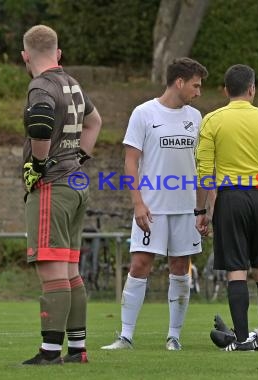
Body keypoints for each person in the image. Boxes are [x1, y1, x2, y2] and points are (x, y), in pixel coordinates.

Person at [100, 58, 208, 351]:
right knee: (139, 264)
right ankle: (125, 336)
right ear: (180, 82)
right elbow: (131, 162)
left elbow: (202, 166)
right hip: (152, 208)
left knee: (180, 267)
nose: (199, 92)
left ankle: (174, 336)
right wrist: (138, 204)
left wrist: (202, 209)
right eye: (196, 85)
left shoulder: (197, 117)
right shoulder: (143, 113)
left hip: (186, 209)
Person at [20, 25, 102, 365]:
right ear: (58, 53)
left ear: (25, 56)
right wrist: (79, 156)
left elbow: (39, 122)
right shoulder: (72, 84)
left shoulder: (41, 85)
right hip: (76, 183)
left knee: (52, 269)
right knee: (70, 270)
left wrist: (38, 164)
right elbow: (95, 121)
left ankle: (50, 352)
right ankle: (78, 349)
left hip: (53, 185)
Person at [195, 64, 258, 351]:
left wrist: (202, 212)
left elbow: (205, 173)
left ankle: (244, 338)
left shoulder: (212, 120)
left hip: (231, 198)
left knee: (236, 269)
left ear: (225, 90)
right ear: (252, 89)